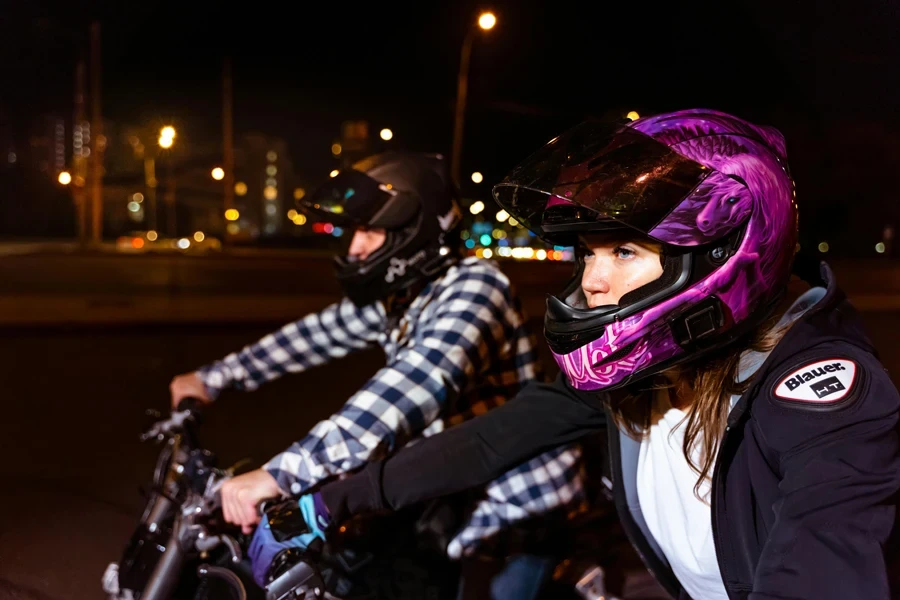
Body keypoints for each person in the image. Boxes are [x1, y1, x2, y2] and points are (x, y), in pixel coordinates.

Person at [273, 110, 900, 599]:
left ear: (719, 254)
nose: (593, 282)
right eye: (589, 253)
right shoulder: (649, 371)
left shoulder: (826, 399)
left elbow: (819, 569)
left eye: (624, 252)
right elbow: (493, 440)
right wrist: (332, 500)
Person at [169, 152, 589, 597]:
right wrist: (213, 377)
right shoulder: (403, 295)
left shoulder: (477, 288)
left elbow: (411, 388)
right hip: (449, 492)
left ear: (416, 229)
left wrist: (279, 475)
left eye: (368, 230)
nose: (354, 246)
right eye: (353, 231)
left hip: (517, 507)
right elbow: (314, 335)